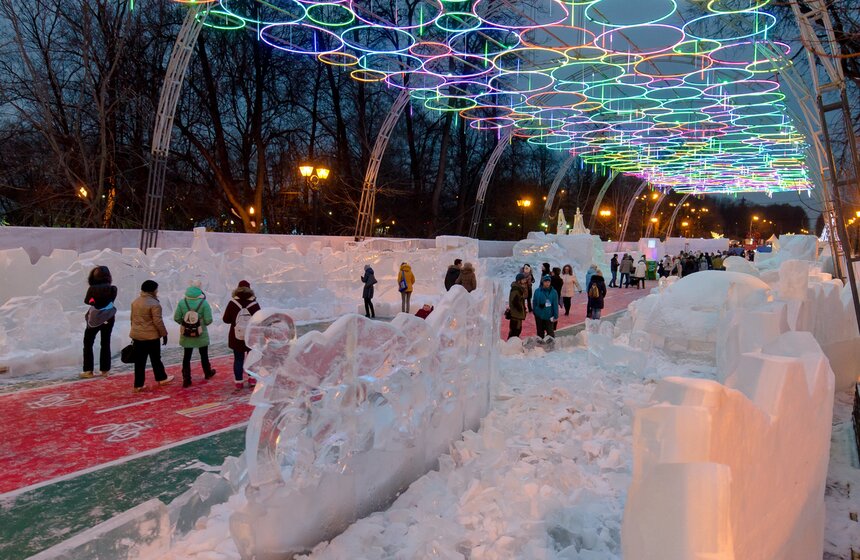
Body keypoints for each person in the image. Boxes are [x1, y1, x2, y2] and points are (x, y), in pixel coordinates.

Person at [129, 280, 173, 392]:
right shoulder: (154, 304)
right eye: (156, 289)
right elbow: (158, 321)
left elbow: (132, 319)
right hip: (151, 337)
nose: (157, 291)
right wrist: (164, 334)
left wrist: (135, 332)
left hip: (137, 337)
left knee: (139, 361)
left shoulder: (135, 302)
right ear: (152, 290)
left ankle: (138, 385)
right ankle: (161, 378)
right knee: (156, 359)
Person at [174, 283, 216, 388]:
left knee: (186, 357)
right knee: (204, 355)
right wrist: (200, 324)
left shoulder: (182, 302)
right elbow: (208, 320)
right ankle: (207, 372)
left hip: (186, 334)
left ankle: (186, 379)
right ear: (199, 293)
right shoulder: (204, 303)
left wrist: (186, 323)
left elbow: (176, 318)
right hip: (200, 334)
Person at [223, 280, 261, 390]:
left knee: (238, 359)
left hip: (236, 336)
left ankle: (239, 382)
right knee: (251, 358)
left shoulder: (232, 303)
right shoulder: (254, 303)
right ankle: (252, 379)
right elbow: (259, 319)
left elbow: (226, 319)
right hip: (251, 336)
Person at [81, 266, 118, 379]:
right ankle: (105, 370)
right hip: (109, 317)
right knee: (105, 343)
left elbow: (87, 301)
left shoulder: (92, 289)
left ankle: (88, 370)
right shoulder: (113, 289)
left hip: (95, 318)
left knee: (88, 343)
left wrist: (93, 300)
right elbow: (110, 300)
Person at [532, 274, 559, 339]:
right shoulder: (537, 291)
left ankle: (551, 344)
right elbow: (534, 302)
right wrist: (535, 311)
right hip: (539, 315)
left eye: (548, 281)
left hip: (549, 315)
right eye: (545, 281)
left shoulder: (554, 292)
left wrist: (556, 315)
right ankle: (540, 344)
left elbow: (555, 304)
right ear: (542, 282)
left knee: (550, 333)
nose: (547, 283)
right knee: (540, 332)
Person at [508, 273, 528, 339]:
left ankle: (514, 343)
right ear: (519, 281)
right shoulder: (516, 289)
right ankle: (511, 344)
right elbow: (514, 301)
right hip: (515, 315)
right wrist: (520, 308)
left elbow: (524, 297)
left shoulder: (520, 288)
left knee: (517, 330)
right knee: (514, 331)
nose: (525, 281)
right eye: (523, 279)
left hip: (518, 315)